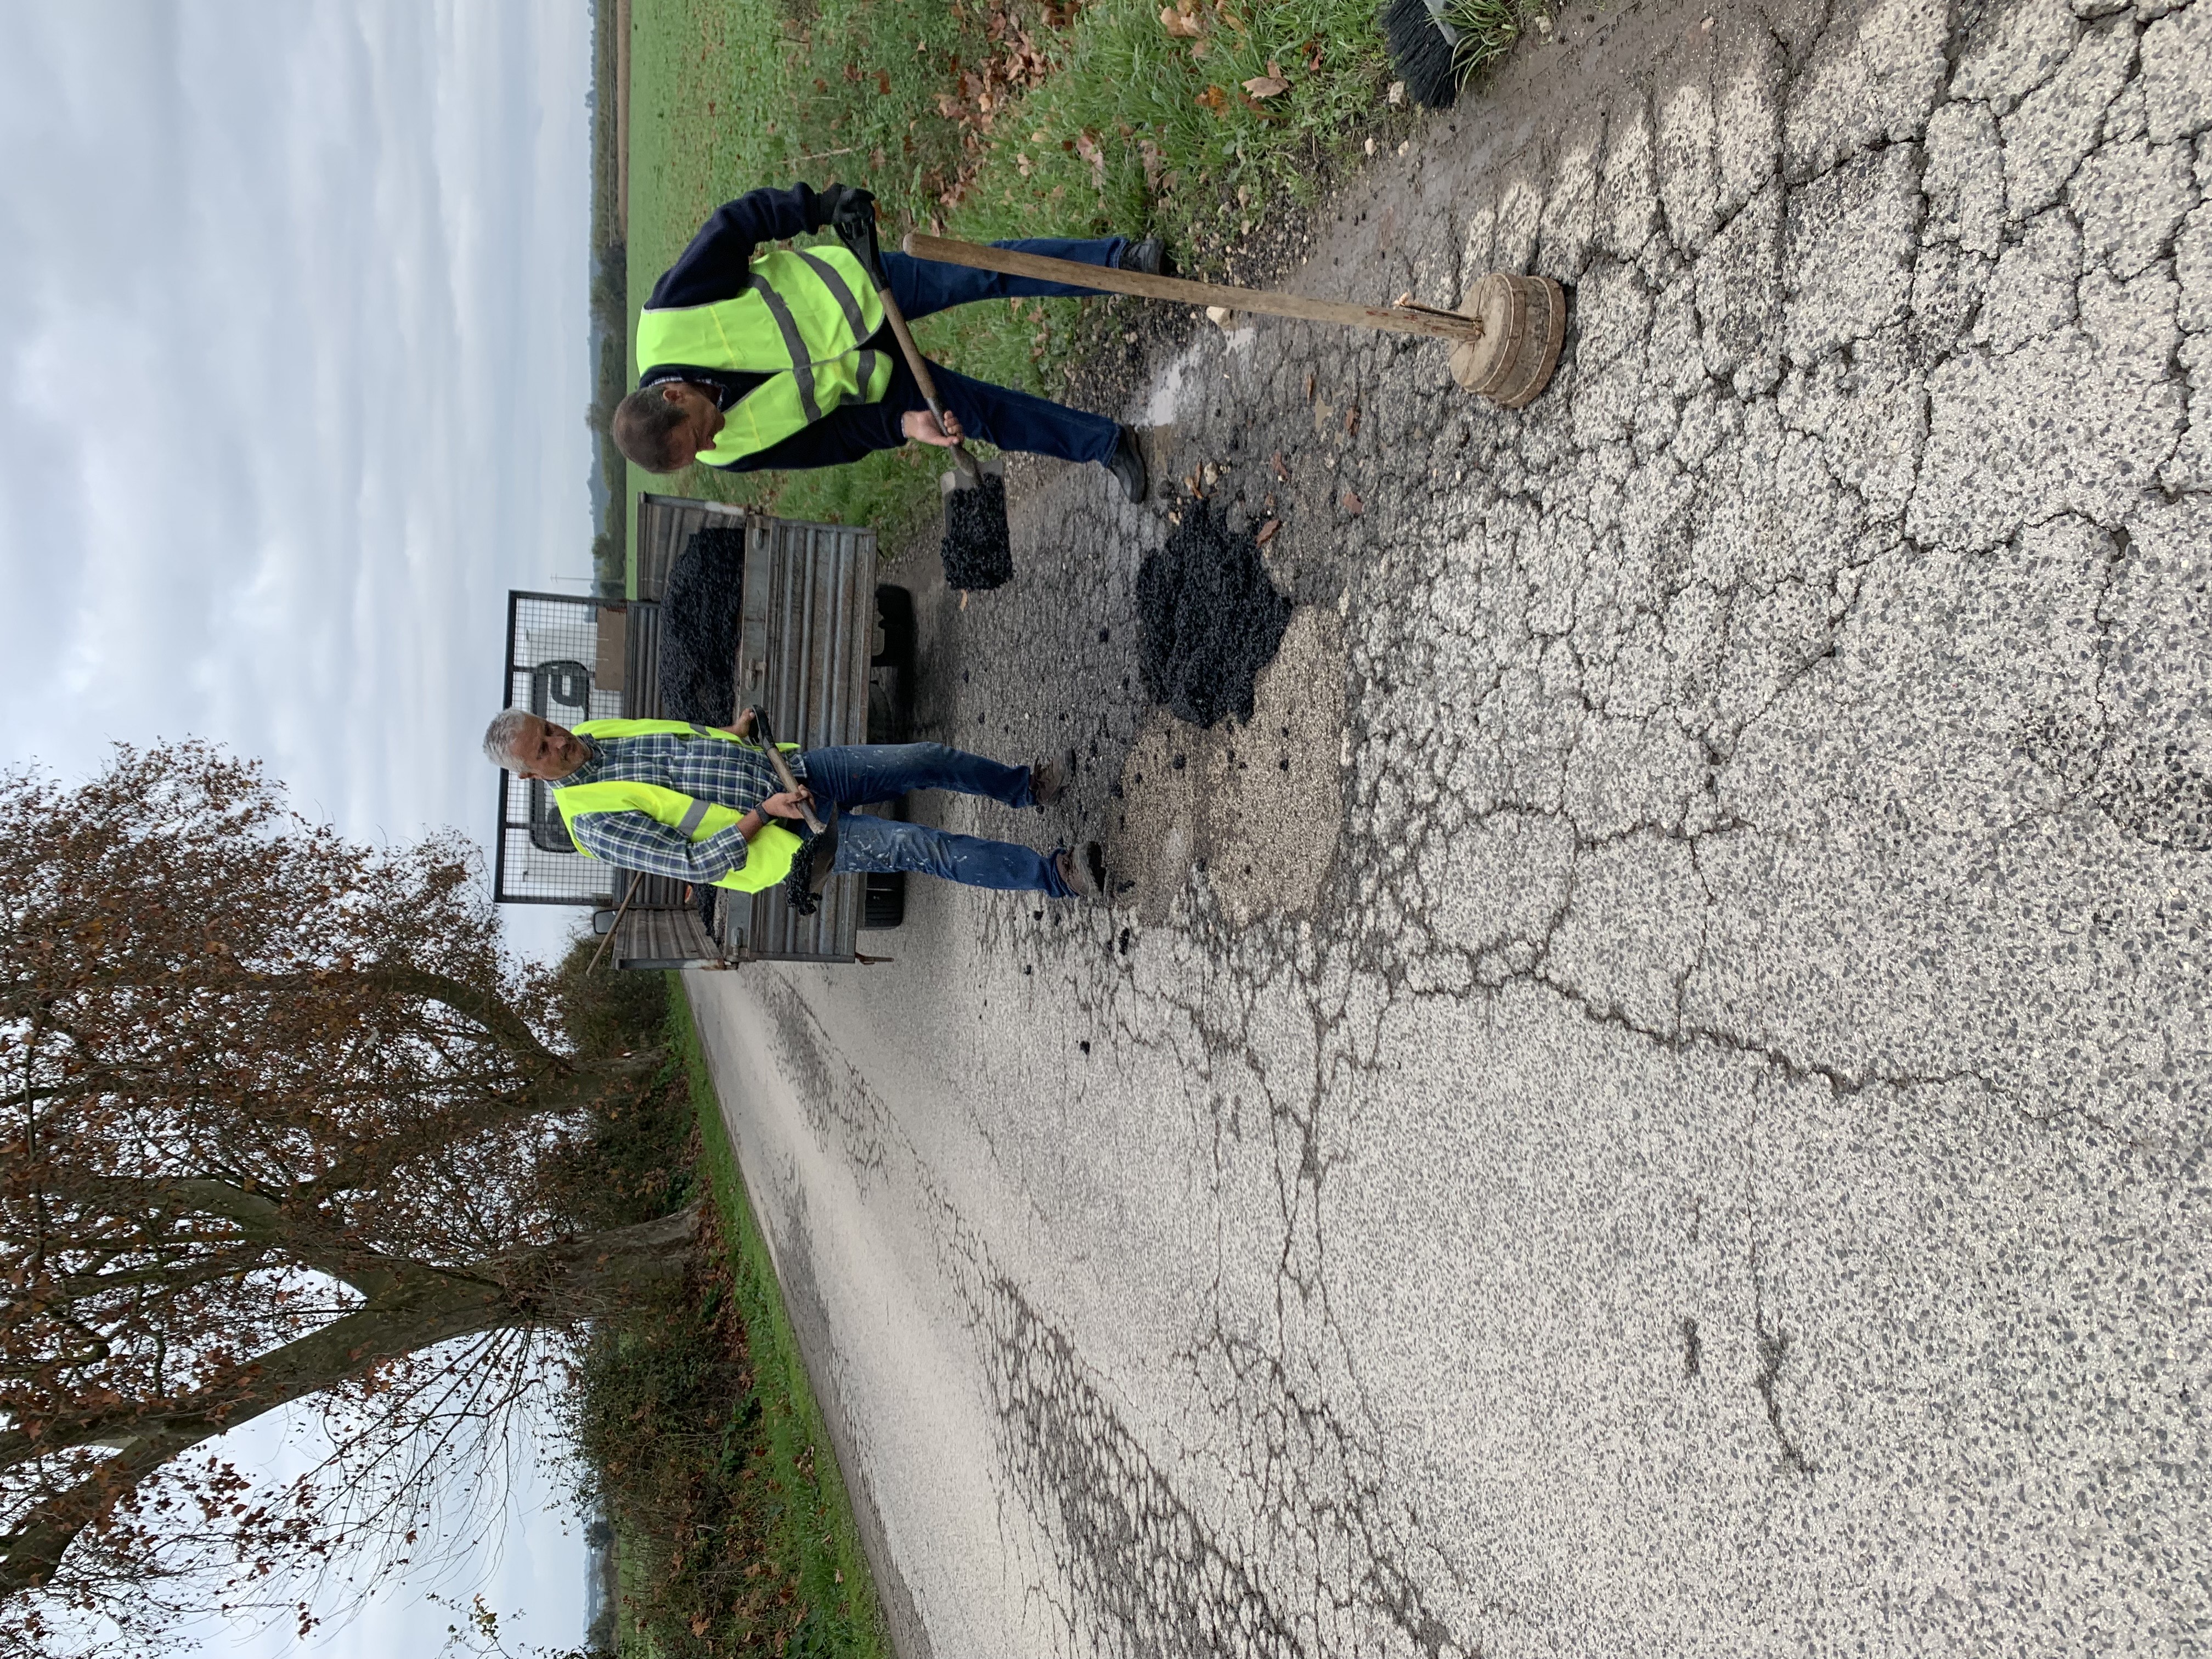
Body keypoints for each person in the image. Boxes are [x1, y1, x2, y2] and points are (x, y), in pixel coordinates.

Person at [610, 182, 1155, 501]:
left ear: (675, 397)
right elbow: (829, 442)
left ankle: (1119, 264)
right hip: (873, 381)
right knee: (982, 418)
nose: (709, 448)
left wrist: (822, 207)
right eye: (697, 456)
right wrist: (902, 425)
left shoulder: (671, 316)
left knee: (986, 273)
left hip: (858, 289)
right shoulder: (725, 454)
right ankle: (1104, 444)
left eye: (698, 439)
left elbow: (736, 224)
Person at [483, 709, 1104, 901]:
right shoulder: (590, 821)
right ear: (533, 776)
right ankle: (1054, 875)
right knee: (924, 846)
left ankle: (1024, 786)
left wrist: (734, 731)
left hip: (792, 768)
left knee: (922, 757)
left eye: (551, 728)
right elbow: (697, 864)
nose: (562, 742)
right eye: (546, 749)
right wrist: (766, 814)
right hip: (794, 838)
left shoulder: (599, 732)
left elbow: (682, 747)